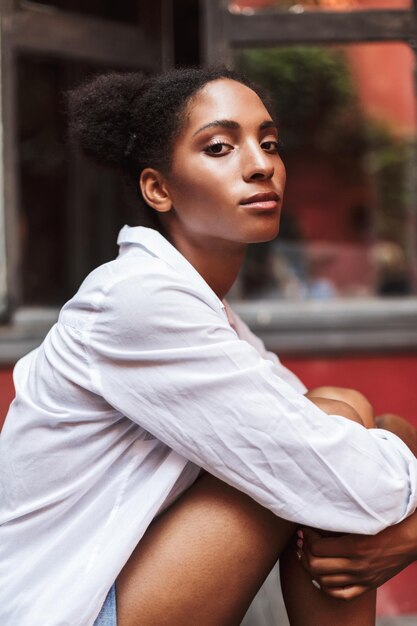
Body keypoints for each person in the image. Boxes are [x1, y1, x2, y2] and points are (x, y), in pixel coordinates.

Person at [1, 66, 417, 626]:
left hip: (112, 590)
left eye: (269, 143)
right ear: (158, 188)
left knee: (345, 419)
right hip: (65, 609)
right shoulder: (139, 301)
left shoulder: (200, 308)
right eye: (221, 146)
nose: (261, 164)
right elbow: (333, 470)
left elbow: (335, 446)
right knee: (330, 437)